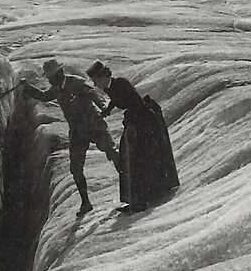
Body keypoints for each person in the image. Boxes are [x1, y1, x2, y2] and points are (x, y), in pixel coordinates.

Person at [25, 59, 121, 215]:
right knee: (76, 168)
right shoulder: (56, 88)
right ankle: (85, 203)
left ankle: (130, 187)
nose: (49, 80)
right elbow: (43, 96)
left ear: (59, 73)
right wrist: (26, 88)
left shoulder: (75, 82)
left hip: (93, 123)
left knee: (111, 152)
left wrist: (103, 106)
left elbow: (93, 93)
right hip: (77, 130)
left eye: (51, 77)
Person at [88, 61, 179, 212]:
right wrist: (106, 111)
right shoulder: (111, 87)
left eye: (96, 81)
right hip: (135, 121)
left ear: (103, 77)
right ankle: (136, 198)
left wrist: (135, 126)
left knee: (136, 159)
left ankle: (140, 201)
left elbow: (136, 102)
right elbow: (116, 99)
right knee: (132, 159)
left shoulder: (121, 83)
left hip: (143, 122)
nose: (96, 85)